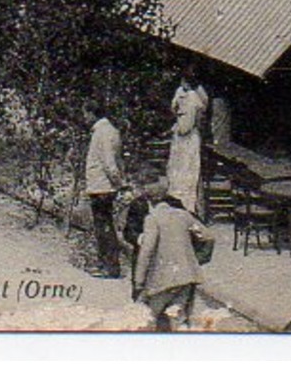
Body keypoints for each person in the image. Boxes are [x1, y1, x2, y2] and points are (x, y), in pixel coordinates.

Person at [133, 181, 214, 331]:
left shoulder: (153, 219)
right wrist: (199, 258)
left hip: (163, 278)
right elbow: (208, 236)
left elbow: (147, 251)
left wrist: (139, 280)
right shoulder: (183, 215)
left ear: (150, 201)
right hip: (187, 276)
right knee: (178, 317)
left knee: (146, 317)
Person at [84, 101, 127, 279]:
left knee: (105, 228)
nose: (85, 118)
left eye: (86, 113)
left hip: (102, 186)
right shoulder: (109, 131)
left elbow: (110, 163)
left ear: (93, 113)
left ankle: (110, 267)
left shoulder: (103, 133)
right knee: (103, 226)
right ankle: (105, 264)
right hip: (101, 185)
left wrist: (118, 183)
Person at [167, 75, 209, 216]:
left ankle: (188, 207)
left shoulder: (193, 98)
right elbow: (174, 108)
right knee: (177, 172)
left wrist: (180, 122)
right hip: (181, 141)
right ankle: (178, 202)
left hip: (189, 140)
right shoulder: (181, 93)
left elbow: (186, 126)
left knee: (188, 173)